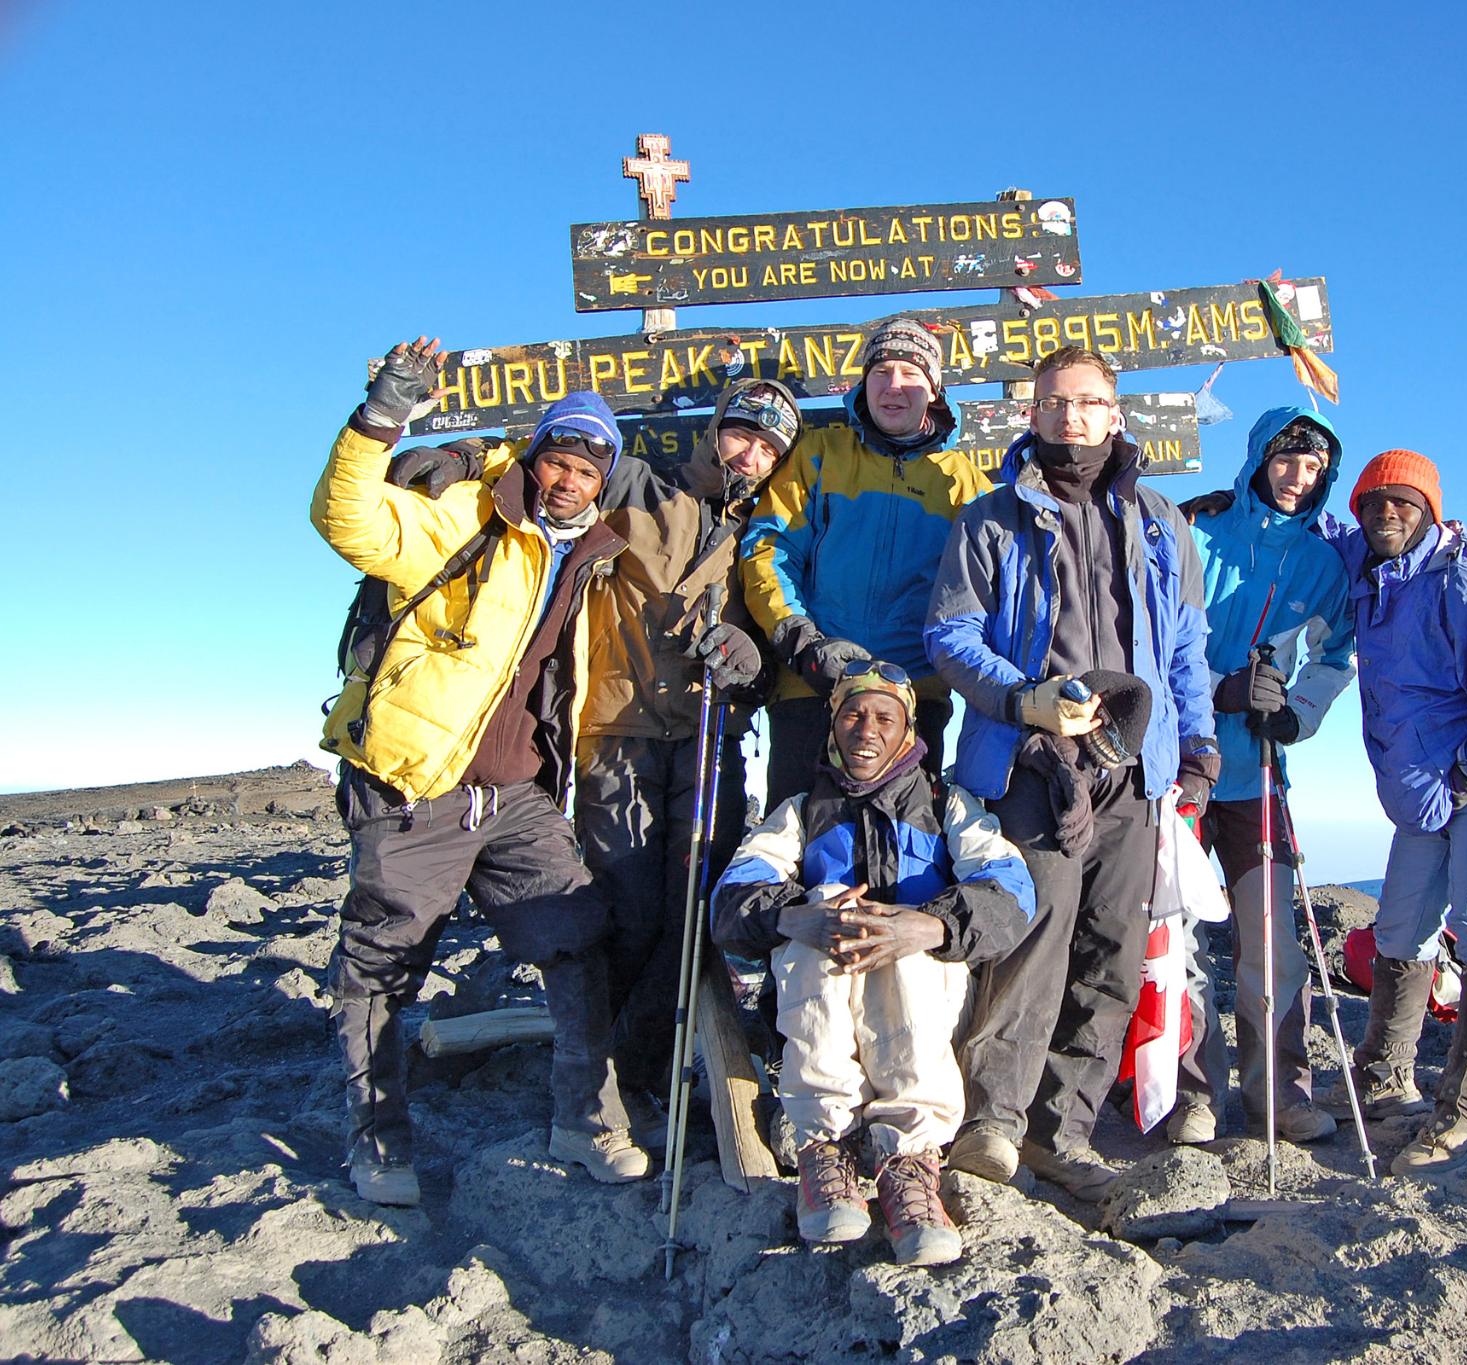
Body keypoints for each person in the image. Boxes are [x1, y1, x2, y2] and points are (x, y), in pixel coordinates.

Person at [390, 380, 806, 1098]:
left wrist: (750, 659)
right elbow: (553, 457)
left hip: (712, 737)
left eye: (770, 448)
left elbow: (766, 653)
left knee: (698, 907)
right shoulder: (636, 482)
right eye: (743, 434)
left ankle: (647, 1064)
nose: (752, 454)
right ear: (715, 429)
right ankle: (615, 1068)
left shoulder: (764, 527)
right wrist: (464, 453)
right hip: (617, 732)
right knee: (631, 907)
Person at [312, 339, 648, 1205]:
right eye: (557, 460)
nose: (566, 480)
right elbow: (347, 517)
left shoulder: (591, 557)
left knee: (575, 939)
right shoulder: (463, 518)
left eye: (585, 468)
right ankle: (379, 1139)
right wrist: (381, 416)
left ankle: (583, 1119)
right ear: (533, 461)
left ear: (603, 480)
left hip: (518, 798)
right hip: (417, 787)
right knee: (383, 962)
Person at [925, 345, 1221, 1202]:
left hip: (1133, 768)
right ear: (1030, 413)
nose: (1070, 417)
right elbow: (950, 635)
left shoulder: (1162, 522)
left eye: (1088, 402)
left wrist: (1197, 749)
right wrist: (1026, 701)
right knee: (1028, 938)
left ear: (1115, 414)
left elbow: (1185, 651)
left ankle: (1065, 1128)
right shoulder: (990, 519)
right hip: (1030, 764)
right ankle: (994, 1122)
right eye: (1053, 403)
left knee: (1113, 952)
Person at [709, 664, 1034, 1266]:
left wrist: (927, 924)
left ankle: (910, 1161)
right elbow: (732, 898)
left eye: (885, 718)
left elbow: (1012, 891)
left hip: (924, 1002)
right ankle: (823, 1148)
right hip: (822, 1003)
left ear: (908, 730)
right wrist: (797, 918)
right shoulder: (800, 812)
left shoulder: (948, 806)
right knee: (821, 906)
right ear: (832, 726)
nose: (867, 729)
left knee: (904, 931)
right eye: (854, 715)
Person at [1334, 449, 1467, 1175]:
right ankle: (1385, 1074)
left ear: (1429, 511)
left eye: (1405, 502)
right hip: (1427, 782)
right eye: (1375, 502)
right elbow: (1310, 529)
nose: (1387, 513)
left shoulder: (1461, 580)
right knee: (1400, 923)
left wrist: (1465, 773)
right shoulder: (1374, 575)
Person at [1176, 407, 1356, 1147]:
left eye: (1313, 467)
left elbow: (1337, 649)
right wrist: (1217, 689)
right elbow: (1155, 634)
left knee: (1271, 941)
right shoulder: (1198, 534)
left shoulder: (1320, 564)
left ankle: (1278, 1089)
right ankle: (1189, 1091)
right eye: (1287, 460)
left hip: (1258, 773)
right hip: (1181, 768)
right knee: (1173, 935)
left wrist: (1296, 712)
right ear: (1258, 458)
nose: (1298, 477)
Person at [741, 318, 992, 809]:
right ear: (863, 383)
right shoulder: (820, 454)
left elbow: (984, 591)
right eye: (880, 371)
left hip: (913, 696)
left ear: (935, 390)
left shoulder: (964, 484)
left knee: (902, 857)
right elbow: (769, 548)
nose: (893, 386)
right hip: (811, 686)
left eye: (910, 374)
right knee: (795, 844)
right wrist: (800, 639)